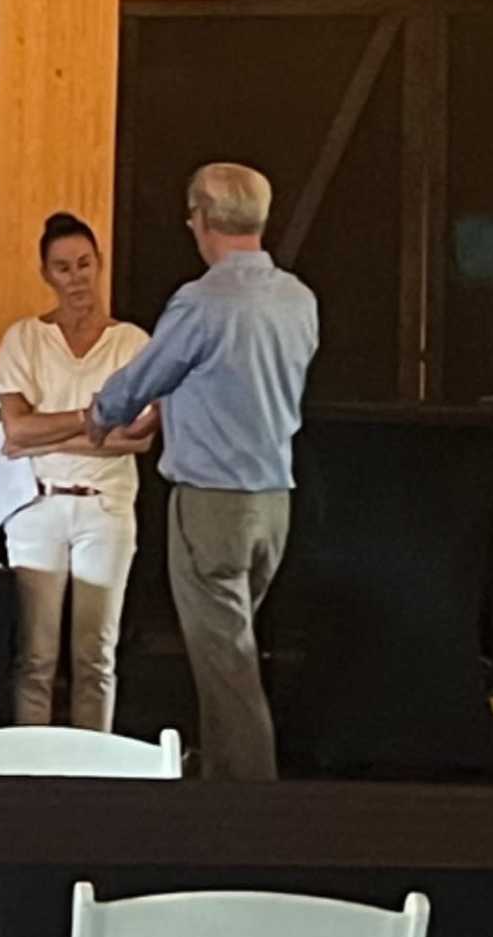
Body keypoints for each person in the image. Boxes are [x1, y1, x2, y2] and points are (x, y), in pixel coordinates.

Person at [74, 161, 318, 782]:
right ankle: (219, 786)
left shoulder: (202, 302)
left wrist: (103, 412)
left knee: (227, 666)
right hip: (274, 504)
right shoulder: (298, 299)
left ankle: (247, 813)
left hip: (212, 502)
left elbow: (149, 375)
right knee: (229, 654)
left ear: (203, 219)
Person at [0, 212, 157, 730]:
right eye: (63, 268)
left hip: (105, 508)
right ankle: (32, 769)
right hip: (37, 505)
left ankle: (92, 774)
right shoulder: (25, 339)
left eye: (84, 264)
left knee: (95, 655)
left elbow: (141, 436)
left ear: (99, 265)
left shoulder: (132, 344)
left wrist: (51, 428)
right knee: (36, 657)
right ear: (46, 275)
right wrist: (96, 419)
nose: (76, 277)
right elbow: (15, 432)